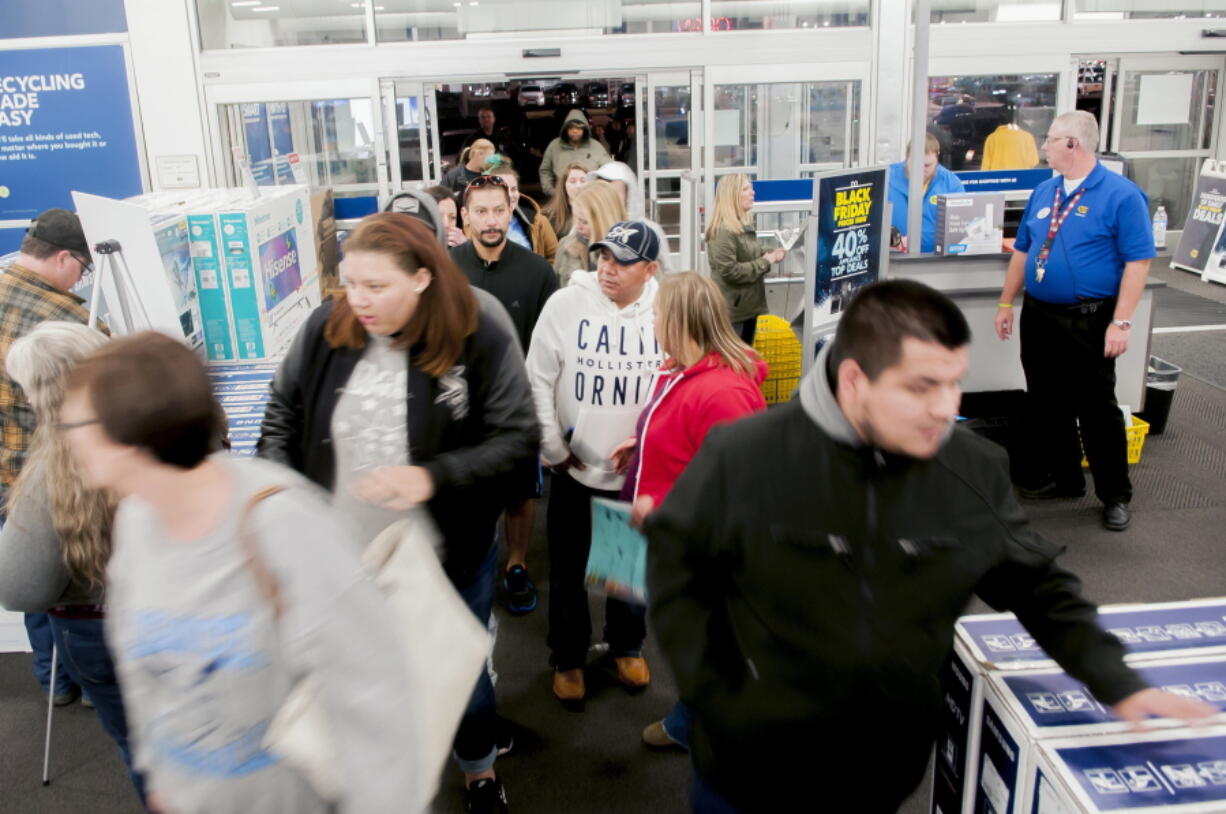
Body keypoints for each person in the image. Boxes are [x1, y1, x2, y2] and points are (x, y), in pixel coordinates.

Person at [643, 279, 1211, 814]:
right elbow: (677, 565)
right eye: (920, 387)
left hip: (881, 775)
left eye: (952, 382)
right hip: (746, 775)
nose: (945, 408)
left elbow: (1039, 587)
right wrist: (716, 693)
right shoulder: (745, 455)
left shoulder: (971, 470)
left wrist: (1118, 682)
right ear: (855, 383)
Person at [59, 331, 421, 814]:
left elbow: (376, 691)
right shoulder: (137, 520)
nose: (64, 429)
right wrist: (163, 775)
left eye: (78, 420)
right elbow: (146, 677)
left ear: (130, 435)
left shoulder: (281, 521)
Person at [258, 212, 538, 813]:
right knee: (353, 678)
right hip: (341, 557)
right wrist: (279, 492)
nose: (358, 300)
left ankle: (479, 771)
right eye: (350, 283)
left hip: (445, 556)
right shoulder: (328, 327)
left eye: (375, 286)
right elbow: (283, 407)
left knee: (457, 679)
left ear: (421, 279)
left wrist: (431, 477)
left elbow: (517, 437)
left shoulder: (478, 331)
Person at [601, 272, 767, 752]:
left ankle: (700, 728)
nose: (651, 320)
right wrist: (644, 443)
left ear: (678, 321)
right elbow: (693, 445)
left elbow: (737, 487)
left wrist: (664, 509)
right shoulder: (682, 369)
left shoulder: (722, 393)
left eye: (656, 313)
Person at [0, 322, 145, 802]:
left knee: (143, 750)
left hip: (99, 631)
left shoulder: (51, 470)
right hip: (184, 614)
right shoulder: (160, 419)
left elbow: (21, 589)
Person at [994, 111, 1155, 532]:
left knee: (1097, 409)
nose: (1043, 146)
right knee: (1047, 400)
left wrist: (1121, 323)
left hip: (1091, 317)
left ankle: (1115, 495)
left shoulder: (1122, 196)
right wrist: (1006, 303)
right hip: (1041, 315)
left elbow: (1138, 262)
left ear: (1073, 145)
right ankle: (1065, 480)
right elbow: (1024, 251)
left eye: (1049, 140)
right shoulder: (1044, 191)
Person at [525, 220, 664, 706]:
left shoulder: (664, 310)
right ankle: (568, 657)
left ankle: (627, 645)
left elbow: (677, 382)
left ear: (650, 269)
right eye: (603, 256)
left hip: (634, 474)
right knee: (567, 571)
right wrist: (553, 448)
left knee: (625, 567)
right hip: (573, 468)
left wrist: (656, 451)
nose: (607, 267)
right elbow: (537, 379)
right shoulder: (565, 305)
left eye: (621, 261)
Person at [0, 208, 94, 707]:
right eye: (82, 265)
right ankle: (84, 679)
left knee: (29, 577)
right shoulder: (67, 321)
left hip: (6, 473)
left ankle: (54, 680)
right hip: (51, 473)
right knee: (69, 580)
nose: (81, 277)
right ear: (62, 257)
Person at [452, 175, 558, 616]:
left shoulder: (537, 272)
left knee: (519, 495)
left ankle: (516, 565)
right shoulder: (446, 270)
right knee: (466, 495)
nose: (491, 221)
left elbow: (552, 347)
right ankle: (470, 567)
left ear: (510, 210)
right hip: (461, 412)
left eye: (499, 210)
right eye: (481, 211)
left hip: (518, 408)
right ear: (465, 216)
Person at [704, 173, 786, 346]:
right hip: (733, 313)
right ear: (732, 195)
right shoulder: (723, 231)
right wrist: (766, 261)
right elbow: (730, 271)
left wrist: (771, 253)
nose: (752, 193)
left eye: (751, 188)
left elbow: (749, 253)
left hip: (747, 308)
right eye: (746, 189)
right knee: (733, 362)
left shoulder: (741, 225)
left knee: (744, 360)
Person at [588, 161, 674, 272]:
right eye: (604, 193)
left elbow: (666, 273)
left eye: (614, 194)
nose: (608, 199)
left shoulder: (650, 230)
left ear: (629, 196)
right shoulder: (586, 225)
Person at [888, 133, 966, 253]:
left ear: (937, 160)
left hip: (934, 260)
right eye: (916, 164)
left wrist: (916, 241)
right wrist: (894, 241)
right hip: (893, 259)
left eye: (927, 165)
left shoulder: (951, 184)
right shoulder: (887, 178)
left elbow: (959, 229)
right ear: (906, 158)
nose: (921, 170)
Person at [483, 157, 559, 264]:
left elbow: (555, 258)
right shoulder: (474, 225)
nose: (510, 195)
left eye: (514, 189)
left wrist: (540, 278)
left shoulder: (538, 221)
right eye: (504, 189)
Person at [553, 179, 627, 287]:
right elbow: (555, 294)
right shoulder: (565, 245)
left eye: (584, 221)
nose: (577, 226)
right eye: (575, 218)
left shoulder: (631, 251)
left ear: (604, 220)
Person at [539, 110, 611, 198]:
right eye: (571, 128)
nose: (575, 131)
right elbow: (545, 170)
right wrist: (550, 190)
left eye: (578, 128)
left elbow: (609, 169)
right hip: (561, 198)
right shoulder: (554, 146)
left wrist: (600, 191)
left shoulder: (596, 146)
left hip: (590, 197)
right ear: (565, 129)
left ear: (584, 129)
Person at [541, 161, 593, 241]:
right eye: (572, 181)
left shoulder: (597, 212)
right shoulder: (549, 216)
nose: (578, 186)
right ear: (564, 186)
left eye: (583, 181)